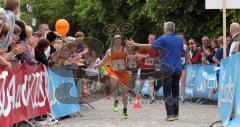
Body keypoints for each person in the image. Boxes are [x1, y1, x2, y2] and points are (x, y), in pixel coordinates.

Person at [127, 21, 183, 121]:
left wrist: (136, 44)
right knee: (175, 92)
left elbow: (150, 45)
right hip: (178, 69)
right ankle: (176, 114)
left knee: (167, 92)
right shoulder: (180, 39)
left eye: (164, 28)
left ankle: (170, 115)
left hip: (167, 69)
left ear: (167, 29)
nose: (163, 29)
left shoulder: (164, 38)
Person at [95, 34, 129, 119]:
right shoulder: (109, 51)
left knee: (125, 91)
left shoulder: (124, 49)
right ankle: (116, 100)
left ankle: (125, 109)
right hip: (113, 72)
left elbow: (129, 59)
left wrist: (131, 62)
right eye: (116, 39)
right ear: (113, 41)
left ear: (121, 41)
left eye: (119, 39)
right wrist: (98, 65)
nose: (117, 40)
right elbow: (104, 60)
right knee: (114, 87)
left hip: (122, 72)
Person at [135, 34, 159, 104]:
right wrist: (144, 56)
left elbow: (158, 57)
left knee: (151, 82)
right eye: (151, 39)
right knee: (142, 82)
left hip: (152, 68)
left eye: (153, 39)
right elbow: (136, 54)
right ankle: (138, 95)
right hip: (144, 67)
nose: (152, 40)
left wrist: (155, 59)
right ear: (148, 39)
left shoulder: (156, 48)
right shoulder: (144, 47)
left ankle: (151, 97)